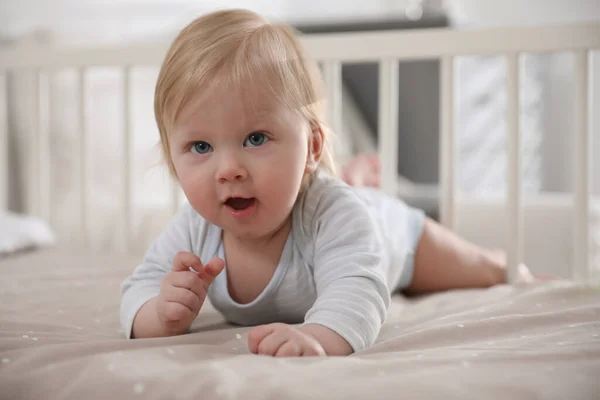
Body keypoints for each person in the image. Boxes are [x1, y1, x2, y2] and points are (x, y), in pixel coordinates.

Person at [119, 8, 534, 357]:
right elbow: (139, 286)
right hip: (367, 220)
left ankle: (510, 264)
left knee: (483, 270)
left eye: (256, 138)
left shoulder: (331, 213)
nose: (229, 169)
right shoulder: (195, 228)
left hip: (394, 236)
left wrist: (316, 338)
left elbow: (360, 291)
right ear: (171, 156)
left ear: (312, 146)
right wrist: (158, 313)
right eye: (201, 146)